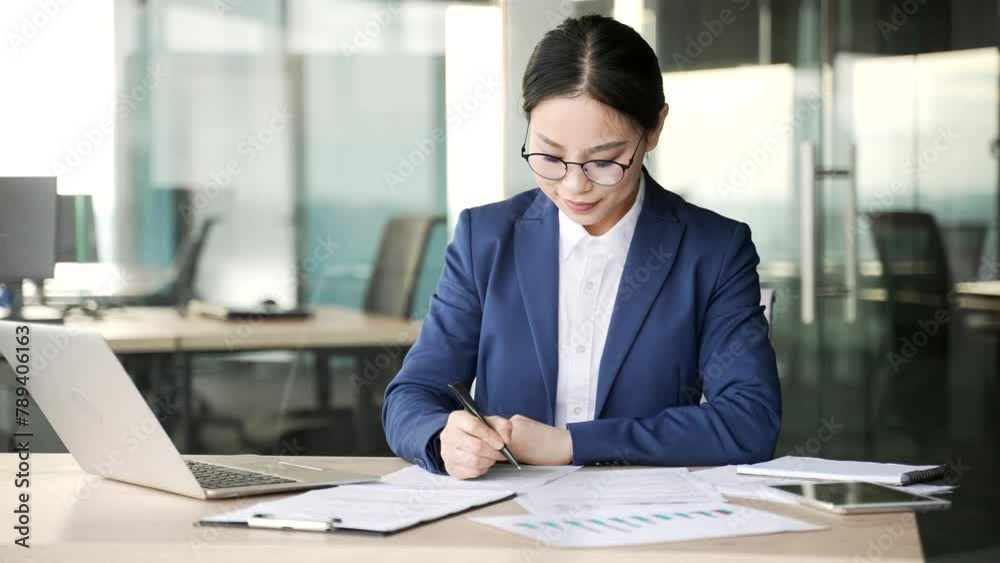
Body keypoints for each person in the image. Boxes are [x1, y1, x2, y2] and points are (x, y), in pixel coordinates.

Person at [382, 14, 780, 479]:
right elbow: (410, 396)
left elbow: (749, 422)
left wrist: (574, 444)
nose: (574, 186)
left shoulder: (713, 250)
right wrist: (442, 437)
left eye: (604, 161)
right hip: (506, 522)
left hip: (648, 523)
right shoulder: (485, 238)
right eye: (549, 156)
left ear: (654, 129)